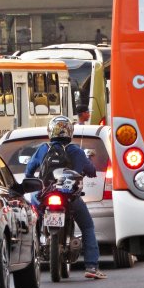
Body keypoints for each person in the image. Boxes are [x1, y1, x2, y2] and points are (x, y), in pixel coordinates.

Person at [25, 116, 107, 279]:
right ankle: (91, 267)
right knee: (88, 227)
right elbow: (91, 170)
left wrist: (32, 180)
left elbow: (29, 170)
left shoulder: (43, 149)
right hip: (70, 198)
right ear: (70, 132)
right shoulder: (76, 151)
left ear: (51, 132)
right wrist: (87, 169)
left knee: (32, 218)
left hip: (45, 196)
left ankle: (32, 251)